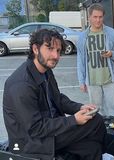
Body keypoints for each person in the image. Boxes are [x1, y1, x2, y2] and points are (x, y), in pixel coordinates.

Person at [3, 29, 106, 160]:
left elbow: (58, 99)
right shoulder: (22, 84)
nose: (56, 56)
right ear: (35, 49)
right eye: (50, 49)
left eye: (58, 51)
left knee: (92, 148)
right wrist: (73, 120)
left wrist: (79, 108)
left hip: (49, 131)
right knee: (96, 122)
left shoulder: (45, 70)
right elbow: (35, 128)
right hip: (31, 142)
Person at [77, 3, 114, 118]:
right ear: (89, 17)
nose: (98, 20)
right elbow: (81, 61)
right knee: (95, 112)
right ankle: (100, 134)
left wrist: (111, 53)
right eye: (95, 17)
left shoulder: (112, 33)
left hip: (110, 80)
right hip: (92, 81)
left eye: (100, 17)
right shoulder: (83, 37)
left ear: (103, 17)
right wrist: (81, 81)